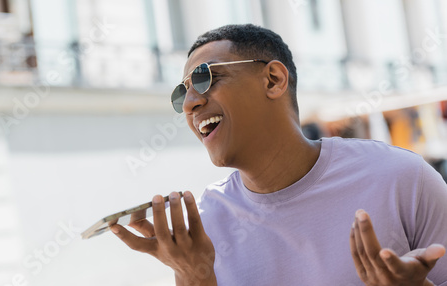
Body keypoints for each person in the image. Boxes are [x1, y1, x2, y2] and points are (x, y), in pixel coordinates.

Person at [110, 24, 447, 285]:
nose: (189, 104)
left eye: (205, 78)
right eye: (180, 94)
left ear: (273, 79)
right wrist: (192, 274)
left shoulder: (402, 179)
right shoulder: (205, 225)